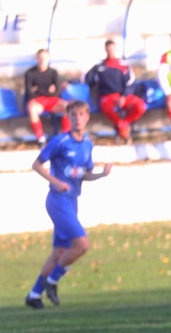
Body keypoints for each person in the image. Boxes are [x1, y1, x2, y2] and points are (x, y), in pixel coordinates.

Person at [24, 99, 112, 310]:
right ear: (68, 117)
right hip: (57, 200)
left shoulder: (88, 144)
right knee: (82, 244)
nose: (78, 119)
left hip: (72, 201)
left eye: (82, 115)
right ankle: (52, 282)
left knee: (59, 253)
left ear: (87, 117)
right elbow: (36, 164)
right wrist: (56, 182)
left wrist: (101, 175)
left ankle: (34, 294)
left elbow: (84, 175)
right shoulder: (60, 141)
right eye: (73, 115)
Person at [82, 39, 147, 143]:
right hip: (107, 97)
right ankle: (125, 133)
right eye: (108, 50)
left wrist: (124, 96)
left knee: (140, 106)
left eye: (112, 49)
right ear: (105, 50)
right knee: (107, 108)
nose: (110, 52)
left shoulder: (123, 65)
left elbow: (130, 83)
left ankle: (122, 126)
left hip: (123, 96)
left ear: (115, 49)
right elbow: (86, 79)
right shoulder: (100, 67)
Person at [24, 48, 70, 145]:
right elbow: (29, 92)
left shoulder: (53, 72)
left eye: (44, 58)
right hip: (38, 101)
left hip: (52, 101)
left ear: (48, 59)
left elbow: (57, 92)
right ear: (37, 59)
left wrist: (38, 89)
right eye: (40, 58)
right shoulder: (30, 73)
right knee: (32, 109)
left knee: (67, 106)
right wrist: (47, 90)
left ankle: (66, 135)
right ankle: (41, 138)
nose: (42, 61)